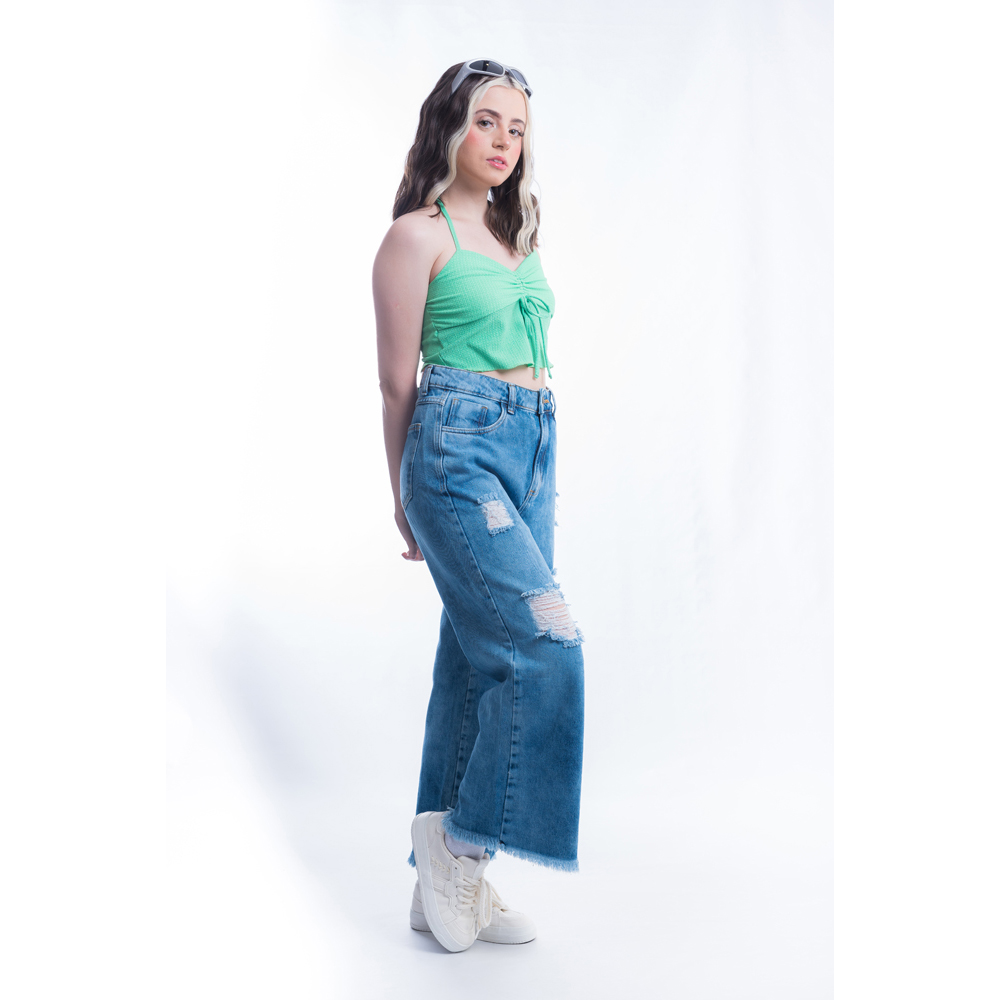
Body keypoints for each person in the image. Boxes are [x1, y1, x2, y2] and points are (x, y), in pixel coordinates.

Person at [372, 59, 585, 953]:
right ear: (450, 126)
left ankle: (442, 889)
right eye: (487, 122)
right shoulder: (416, 238)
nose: (503, 142)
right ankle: (460, 844)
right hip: (455, 447)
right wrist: (402, 495)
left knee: (474, 659)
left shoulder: (513, 235)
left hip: (531, 444)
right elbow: (396, 385)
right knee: (547, 645)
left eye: (517, 128)